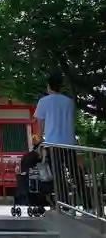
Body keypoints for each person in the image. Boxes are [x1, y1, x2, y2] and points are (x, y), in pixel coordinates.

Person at [30, 72, 86, 208]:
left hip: (53, 143)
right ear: (61, 87)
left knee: (58, 173)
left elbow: (40, 124)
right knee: (75, 173)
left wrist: (39, 141)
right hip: (69, 142)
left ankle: (64, 203)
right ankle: (88, 202)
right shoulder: (69, 102)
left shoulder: (44, 101)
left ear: (49, 86)